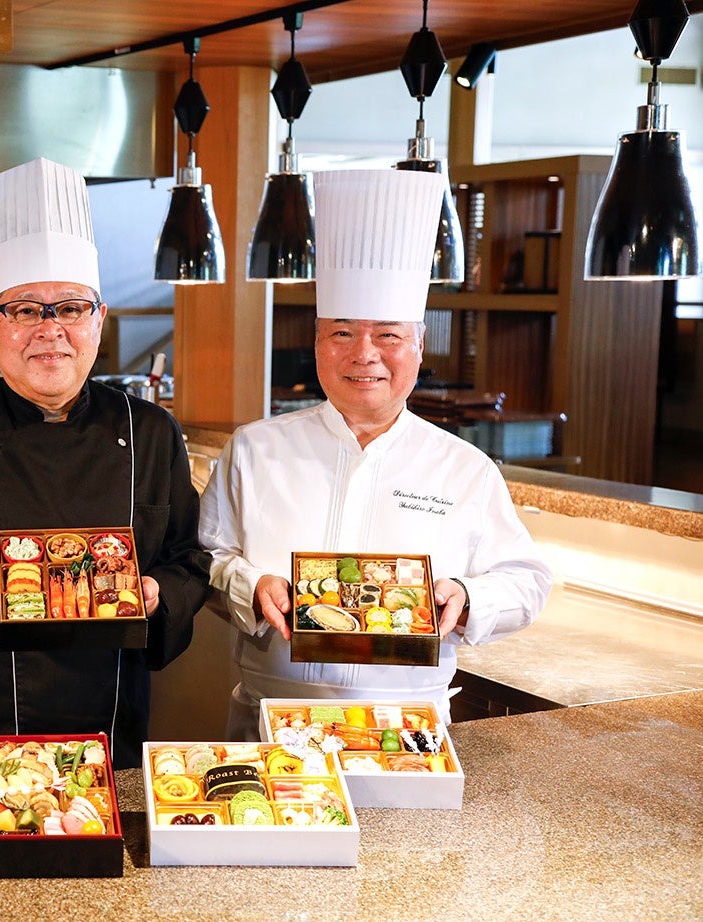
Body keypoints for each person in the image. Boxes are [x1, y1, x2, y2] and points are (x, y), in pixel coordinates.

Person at [0, 157, 211, 797]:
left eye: (70, 308)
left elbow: (190, 560)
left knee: (103, 887)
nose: (51, 330)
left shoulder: (151, 431)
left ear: (98, 320)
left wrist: (161, 591)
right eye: (25, 310)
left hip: (109, 720)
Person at [199, 169, 553, 740]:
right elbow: (206, 557)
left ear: (418, 347)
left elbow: (526, 580)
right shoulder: (254, 449)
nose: (364, 354)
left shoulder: (464, 468)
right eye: (341, 333)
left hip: (410, 728)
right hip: (271, 720)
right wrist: (251, 583)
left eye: (387, 335)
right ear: (316, 344)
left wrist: (467, 597)